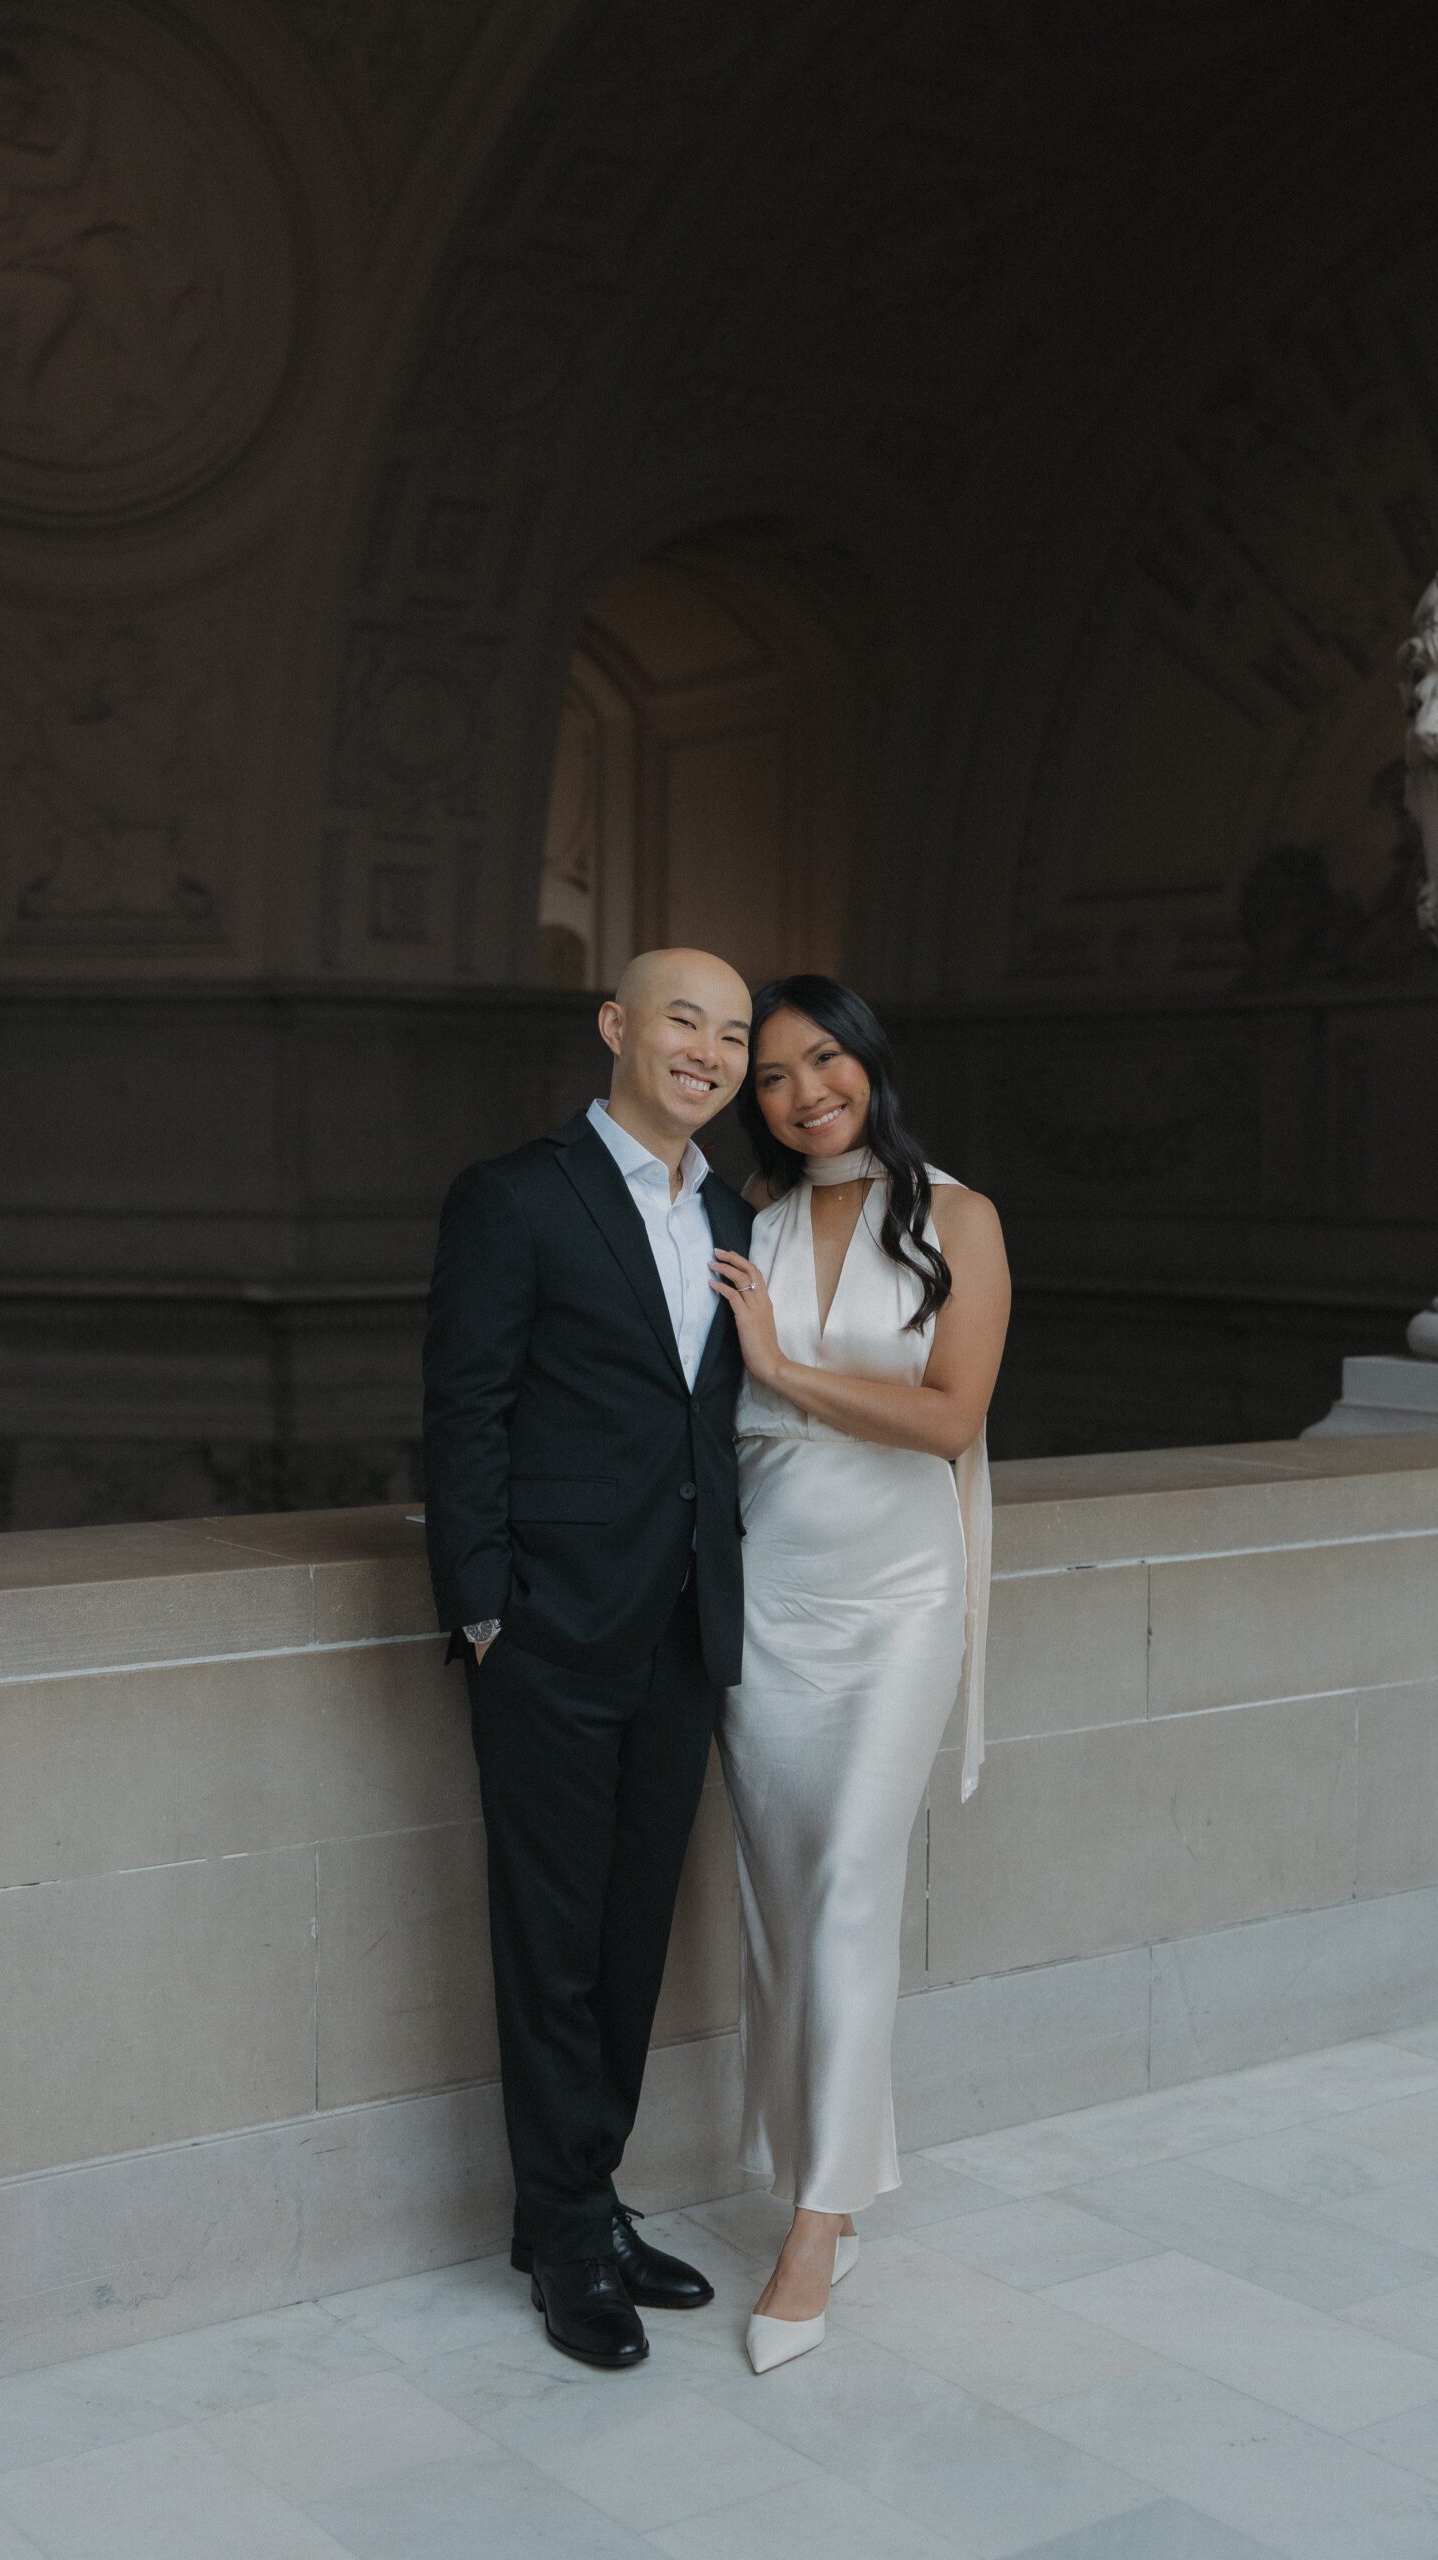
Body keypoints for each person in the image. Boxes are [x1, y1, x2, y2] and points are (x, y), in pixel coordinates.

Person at [422, 947, 756, 2371]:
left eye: (736, 1033)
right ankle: (566, 2238)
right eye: (686, 1018)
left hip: (685, 1628)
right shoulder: (514, 1196)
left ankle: (586, 2199)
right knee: (551, 1939)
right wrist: (485, 1612)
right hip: (550, 1632)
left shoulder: (737, 1213)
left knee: (629, 1934)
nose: (714, 1050)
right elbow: (465, 1411)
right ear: (616, 1026)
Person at [708, 974, 1010, 2374]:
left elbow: (950, 1420)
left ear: (868, 1064)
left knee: (849, 1885)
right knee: (783, 1903)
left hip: (899, 1600)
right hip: (769, 1597)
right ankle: (840, 2161)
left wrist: (780, 1361)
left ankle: (817, 2220)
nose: (804, 1090)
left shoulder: (961, 1216)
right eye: (772, 1074)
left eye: (824, 1058)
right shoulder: (740, 1221)